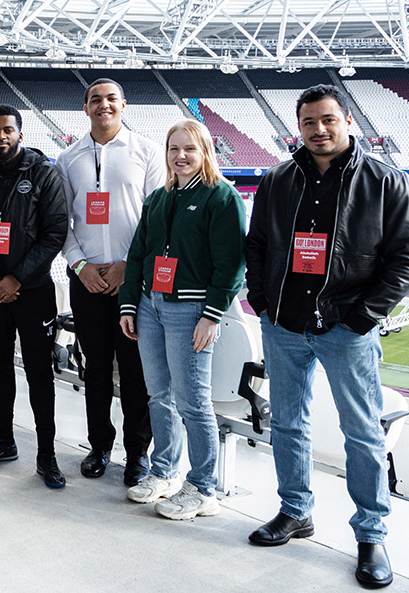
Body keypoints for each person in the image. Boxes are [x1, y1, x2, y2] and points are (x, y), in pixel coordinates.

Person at [245, 84, 409, 589]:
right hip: (285, 323)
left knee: (362, 433)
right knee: (288, 424)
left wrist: (363, 317)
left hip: (347, 327)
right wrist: (263, 303)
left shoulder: (386, 181)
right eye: (308, 122)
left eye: (327, 120)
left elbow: (406, 257)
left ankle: (371, 535)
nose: (318, 130)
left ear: (347, 121)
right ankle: (295, 511)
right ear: (298, 127)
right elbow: (257, 244)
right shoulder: (278, 179)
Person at [118, 119, 246, 521]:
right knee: (159, 395)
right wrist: (129, 304)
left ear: (205, 151)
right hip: (150, 305)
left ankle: (204, 488)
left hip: (190, 310)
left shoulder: (222, 197)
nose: (181, 156)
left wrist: (212, 315)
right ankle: (165, 472)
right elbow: (138, 254)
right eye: (174, 148)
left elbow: (231, 264)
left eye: (189, 148)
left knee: (193, 401)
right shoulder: (159, 197)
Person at [0, 106, 69, 487]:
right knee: (0, 369)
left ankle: (47, 454)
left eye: (7, 130)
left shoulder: (44, 174)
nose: (1, 136)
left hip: (33, 291)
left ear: (20, 134)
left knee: (39, 373)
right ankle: (4, 440)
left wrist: (16, 279)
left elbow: (54, 233)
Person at [55, 78, 160, 485]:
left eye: (111, 99)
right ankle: (99, 446)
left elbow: (155, 219)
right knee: (95, 369)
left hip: (132, 282)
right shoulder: (69, 157)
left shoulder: (147, 151)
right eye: (95, 99)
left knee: (135, 372)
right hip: (87, 281)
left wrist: (128, 267)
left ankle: (138, 453)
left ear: (123, 104)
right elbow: (61, 222)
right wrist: (79, 265)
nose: (104, 105)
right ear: (85, 108)